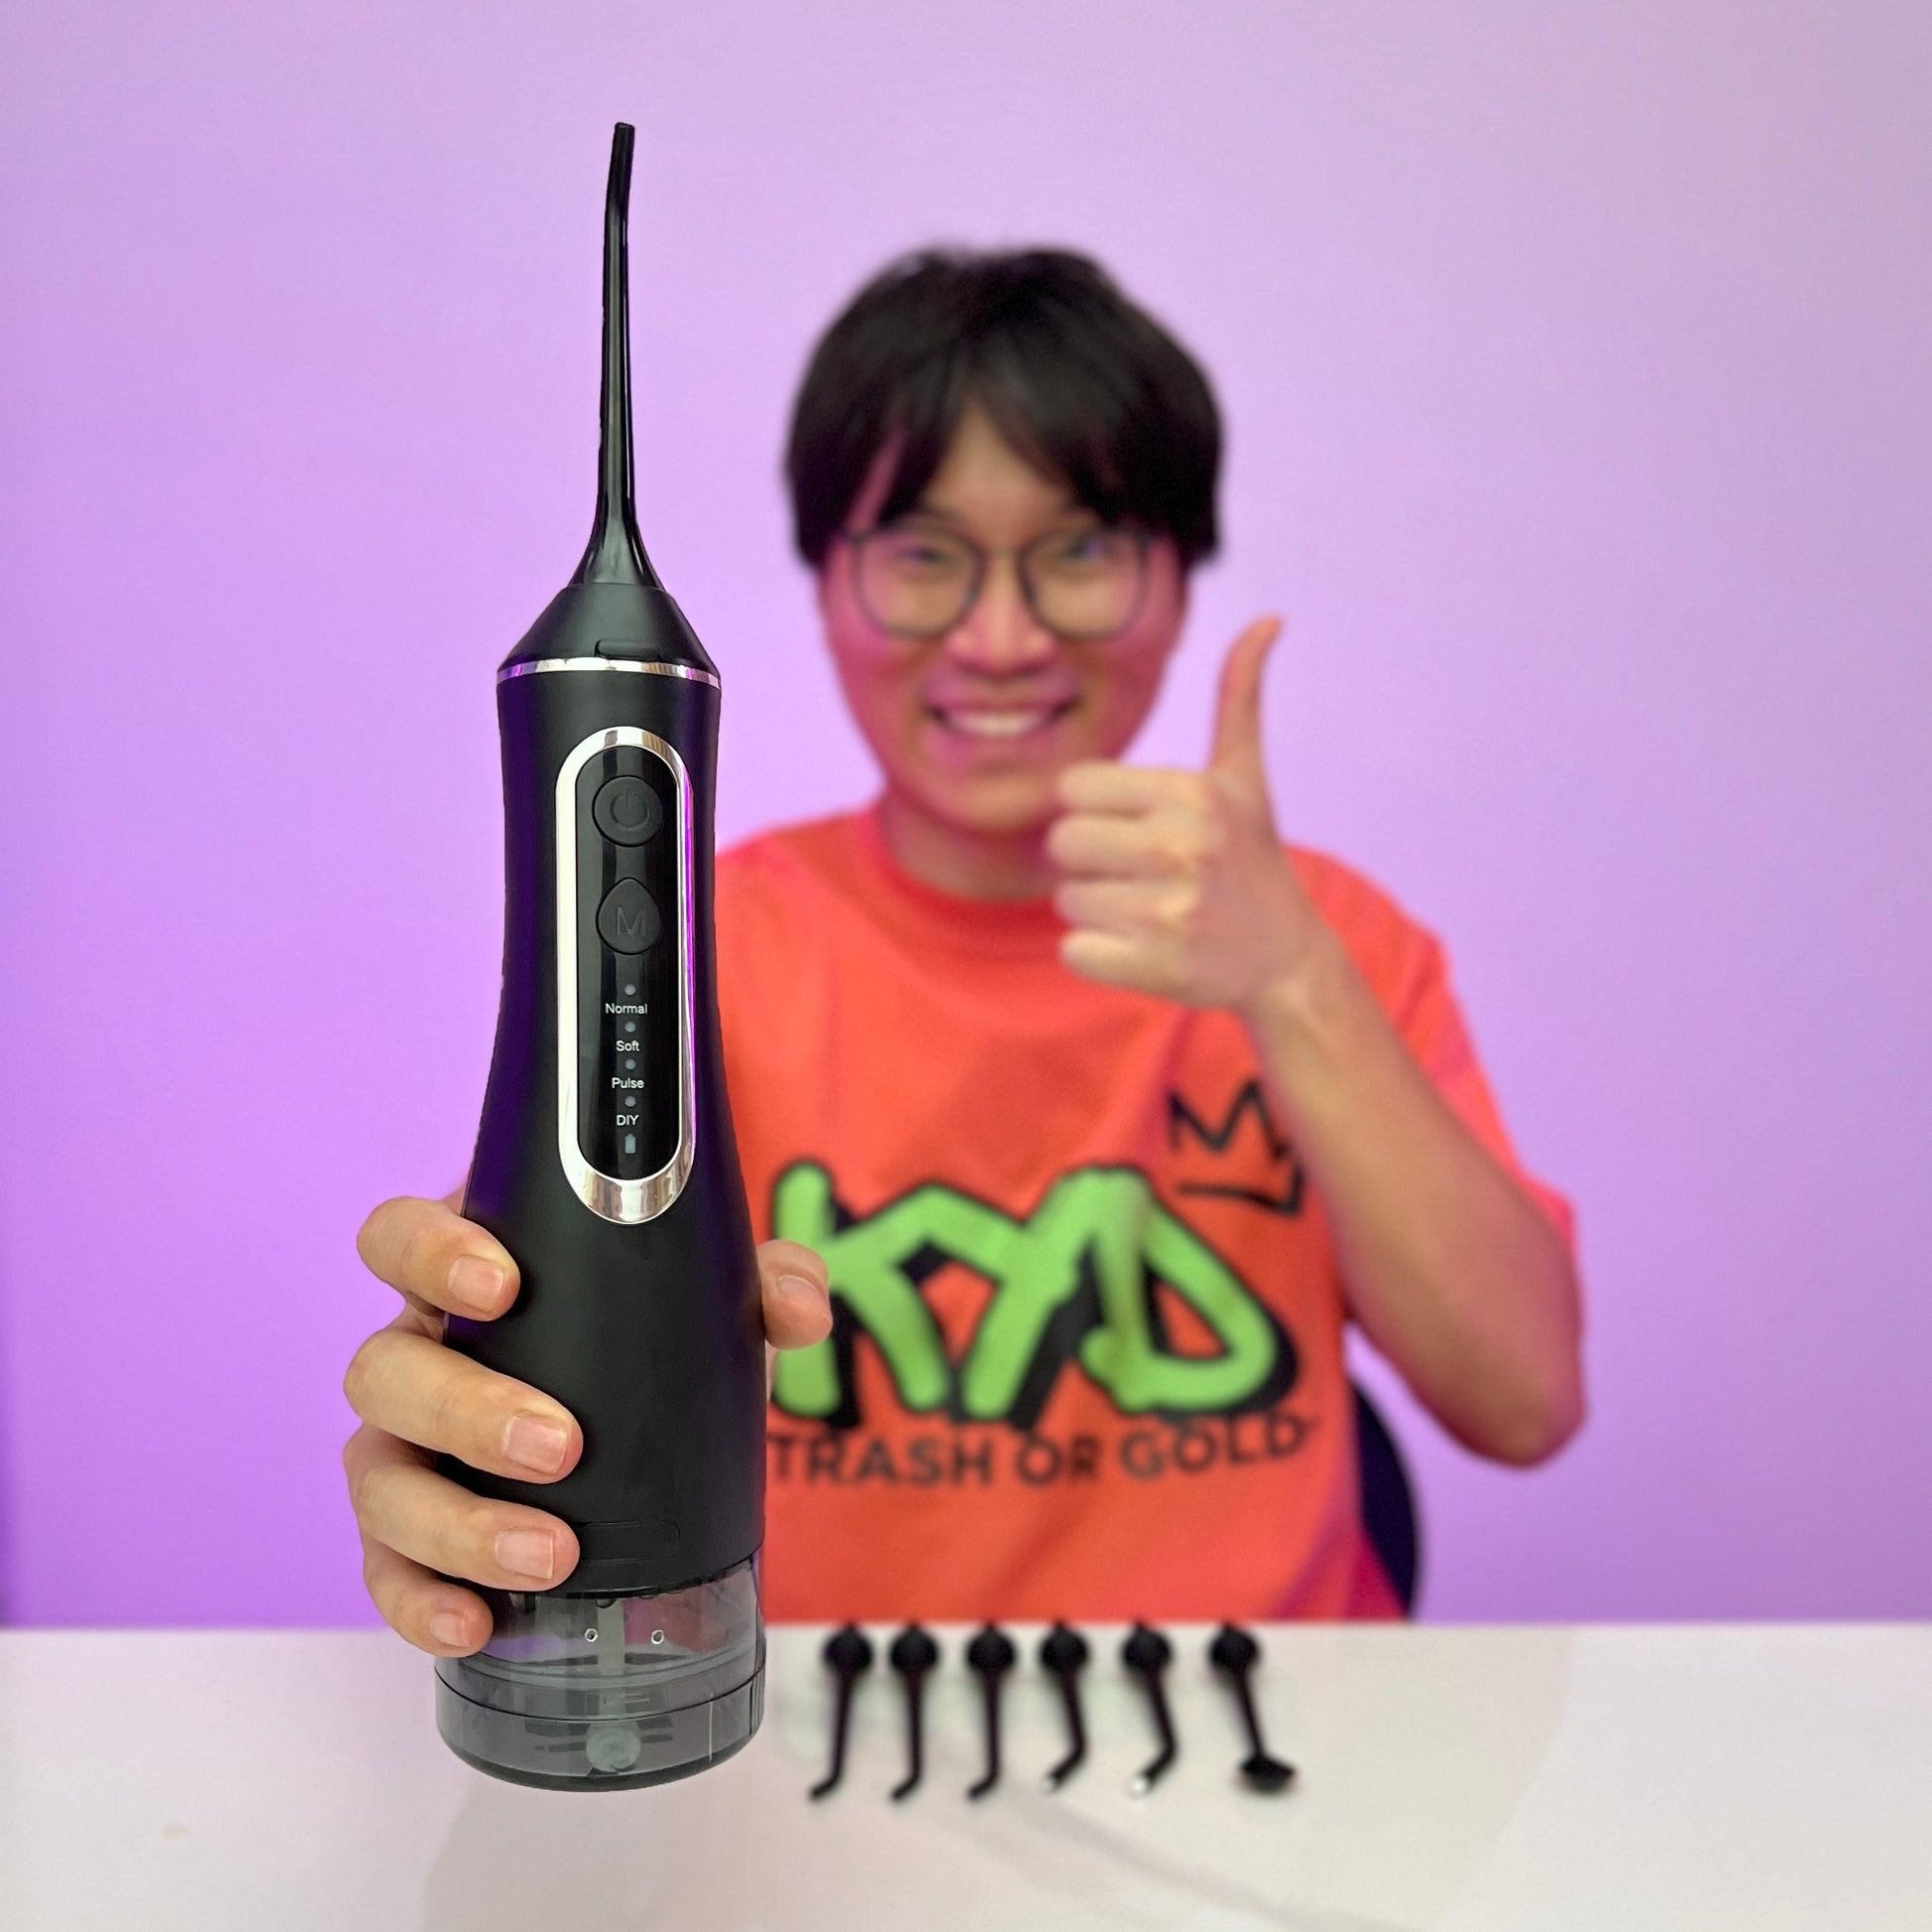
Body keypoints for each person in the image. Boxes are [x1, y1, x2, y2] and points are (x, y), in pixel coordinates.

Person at [344, 249, 1584, 1655]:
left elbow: (1524, 1402)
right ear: (827, 584)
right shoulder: (685, 950)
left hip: (1262, 1729)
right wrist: (464, 1418)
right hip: (799, 1740)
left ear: (1179, 581)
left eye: (1080, 551)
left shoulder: (1328, 942)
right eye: (924, 556)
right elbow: (512, 1352)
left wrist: (1291, 982)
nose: (999, 639)